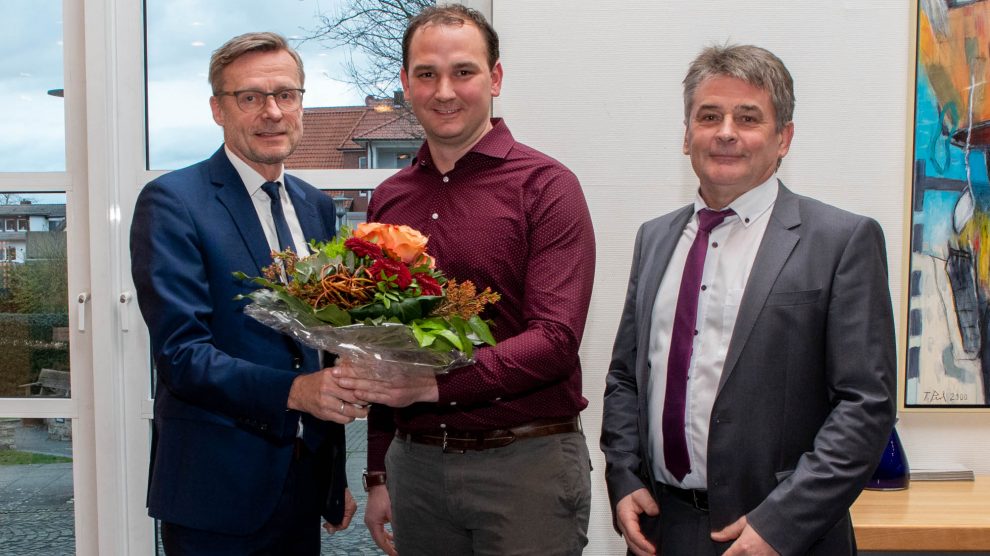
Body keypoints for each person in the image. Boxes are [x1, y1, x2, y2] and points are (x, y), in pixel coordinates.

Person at [601, 44, 896, 556]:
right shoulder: (655, 239)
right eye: (709, 115)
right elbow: (626, 376)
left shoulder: (841, 240)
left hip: (782, 535)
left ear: (784, 139)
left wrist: (781, 524)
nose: (726, 132)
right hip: (661, 530)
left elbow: (865, 406)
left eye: (748, 117)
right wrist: (623, 475)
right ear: (686, 134)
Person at [331, 5, 596, 555]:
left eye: (464, 72)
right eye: (426, 74)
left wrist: (434, 386)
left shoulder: (546, 187)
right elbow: (382, 345)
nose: (444, 90)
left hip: (526, 468)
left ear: (495, 78)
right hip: (417, 466)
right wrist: (378, 470)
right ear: (405, 83)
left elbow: (555, 340)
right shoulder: (389, 198)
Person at [130, 31, 367, 554]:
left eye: (286, 94)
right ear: (218, 109)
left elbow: (318, 344)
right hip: (216, 492)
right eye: (251, 97)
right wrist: (294, 392)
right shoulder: (173, 202)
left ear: (302, 102)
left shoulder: (314, 206)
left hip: (303, 486)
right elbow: (181, 355)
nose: (272, 112)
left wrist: (334, 477)